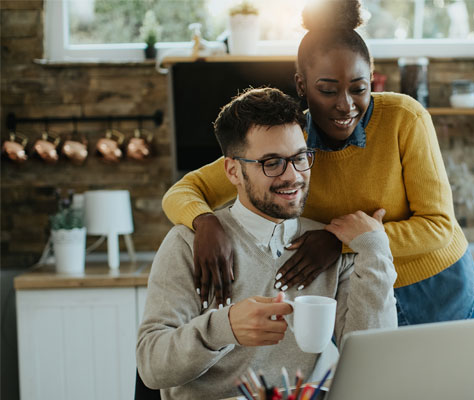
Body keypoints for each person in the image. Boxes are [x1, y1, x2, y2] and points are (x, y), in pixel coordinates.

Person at [162, 0, 474, 326]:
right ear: (301, 85)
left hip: (441, 289)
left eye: (359, 88)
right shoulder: (290, 140)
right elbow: (185, 190)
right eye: (328, 90)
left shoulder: (405, 118)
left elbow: (438, 227)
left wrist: (339, 241)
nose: (346, 106)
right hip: (359, 295)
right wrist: (205, 223)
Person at [137, 87, 397, 399]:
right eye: (271, 163)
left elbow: (374, 364)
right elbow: (152, 368)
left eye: (300, 158)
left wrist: (375, 249)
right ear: (233, 171)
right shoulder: (186, 243)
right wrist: (225, 327)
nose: (293, 176)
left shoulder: (329, 247)